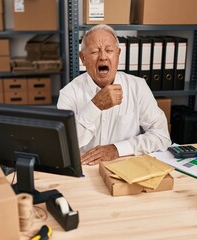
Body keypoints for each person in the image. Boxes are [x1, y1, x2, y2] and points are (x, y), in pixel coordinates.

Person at [57, 24, 171, 165]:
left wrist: (118, 149)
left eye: (109, 50)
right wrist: (95, 106)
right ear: (83, 58)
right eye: (94, 52)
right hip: (86, 168)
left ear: (118, 54)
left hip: (127, 165)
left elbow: (162, 137)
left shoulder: (138, 87)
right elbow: (63, 145)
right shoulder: (68, 93)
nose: (103, 57)